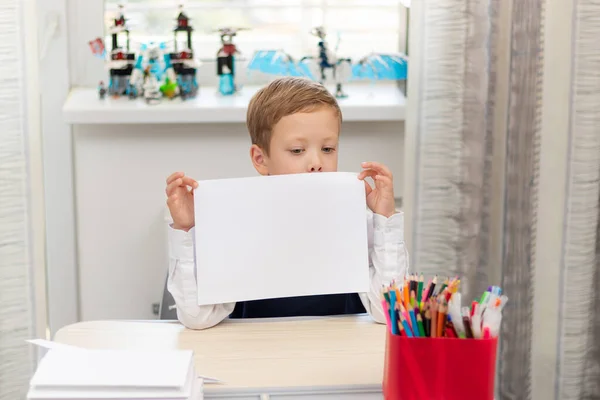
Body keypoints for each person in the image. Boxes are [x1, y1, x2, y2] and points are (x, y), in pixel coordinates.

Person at [165, 77, 408, 329]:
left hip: (334, 352)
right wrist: (187, 229)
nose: (316, 162)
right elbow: (197, 318)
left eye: (327, 149)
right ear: (260, 158)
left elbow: (389, 312)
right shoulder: (237, 223)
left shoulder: (357, 222)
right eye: (296, 151)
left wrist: (384, 220)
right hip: (258, 354)